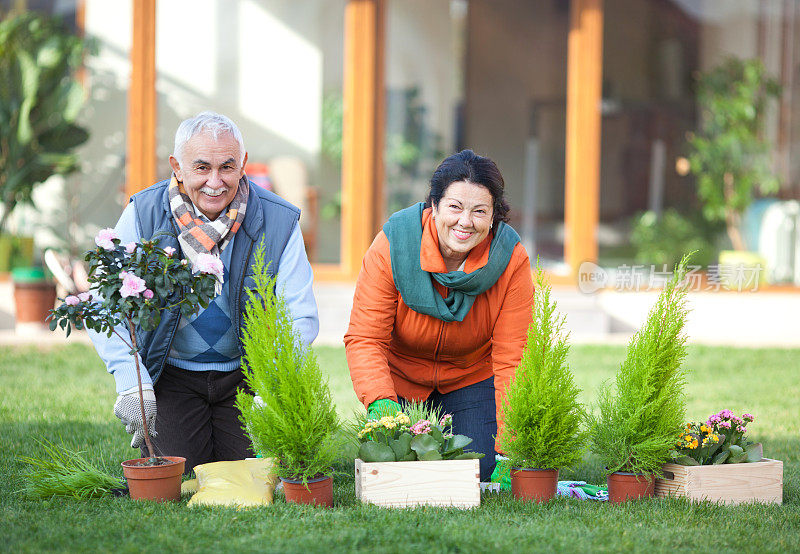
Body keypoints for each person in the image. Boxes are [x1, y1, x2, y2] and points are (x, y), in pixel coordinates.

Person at [89, 111, 318, 472]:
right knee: (181, 473)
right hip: (173, 376)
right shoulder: (144, 212)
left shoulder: (279, 220)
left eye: (227, 167)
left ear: (243, 164)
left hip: (247, 377)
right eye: (201, 168)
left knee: (249, 473)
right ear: (176, 167)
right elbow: (104, 302)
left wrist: (274, 383)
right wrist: (132, 382)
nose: (215, 182)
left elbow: (299, 313)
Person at [345, 149, 534, 480]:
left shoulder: (510, 259)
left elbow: (512, 357)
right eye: (455, 207)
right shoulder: (393, 243)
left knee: (480, 469)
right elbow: (366, 336)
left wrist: (509, 445)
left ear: (493, 217)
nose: (465, 221)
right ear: (433, 207)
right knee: (394, 467)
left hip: (469, 376)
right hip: (400, 378)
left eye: (479, 211)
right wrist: (380, 401)